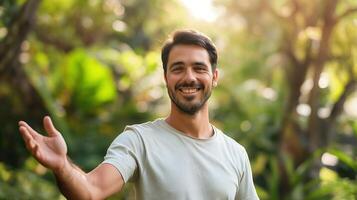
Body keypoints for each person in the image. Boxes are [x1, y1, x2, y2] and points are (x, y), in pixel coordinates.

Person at [19, 29, 259, 200]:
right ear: (166, 77)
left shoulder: (236, 154)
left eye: (199, 68)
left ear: (214, 77)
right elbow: (91, 190)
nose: (189, 77)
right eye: (178, 68)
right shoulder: (139, 141)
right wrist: (62, 166)